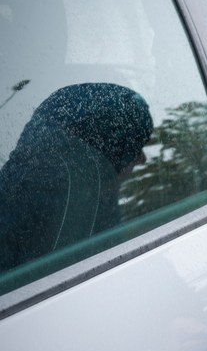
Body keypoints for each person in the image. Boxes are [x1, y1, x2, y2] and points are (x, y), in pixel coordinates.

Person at [0, 83, 153, 271]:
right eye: (134, 148)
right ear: (108, 155)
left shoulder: (15, 189)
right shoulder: (82, 211)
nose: (142, 159)